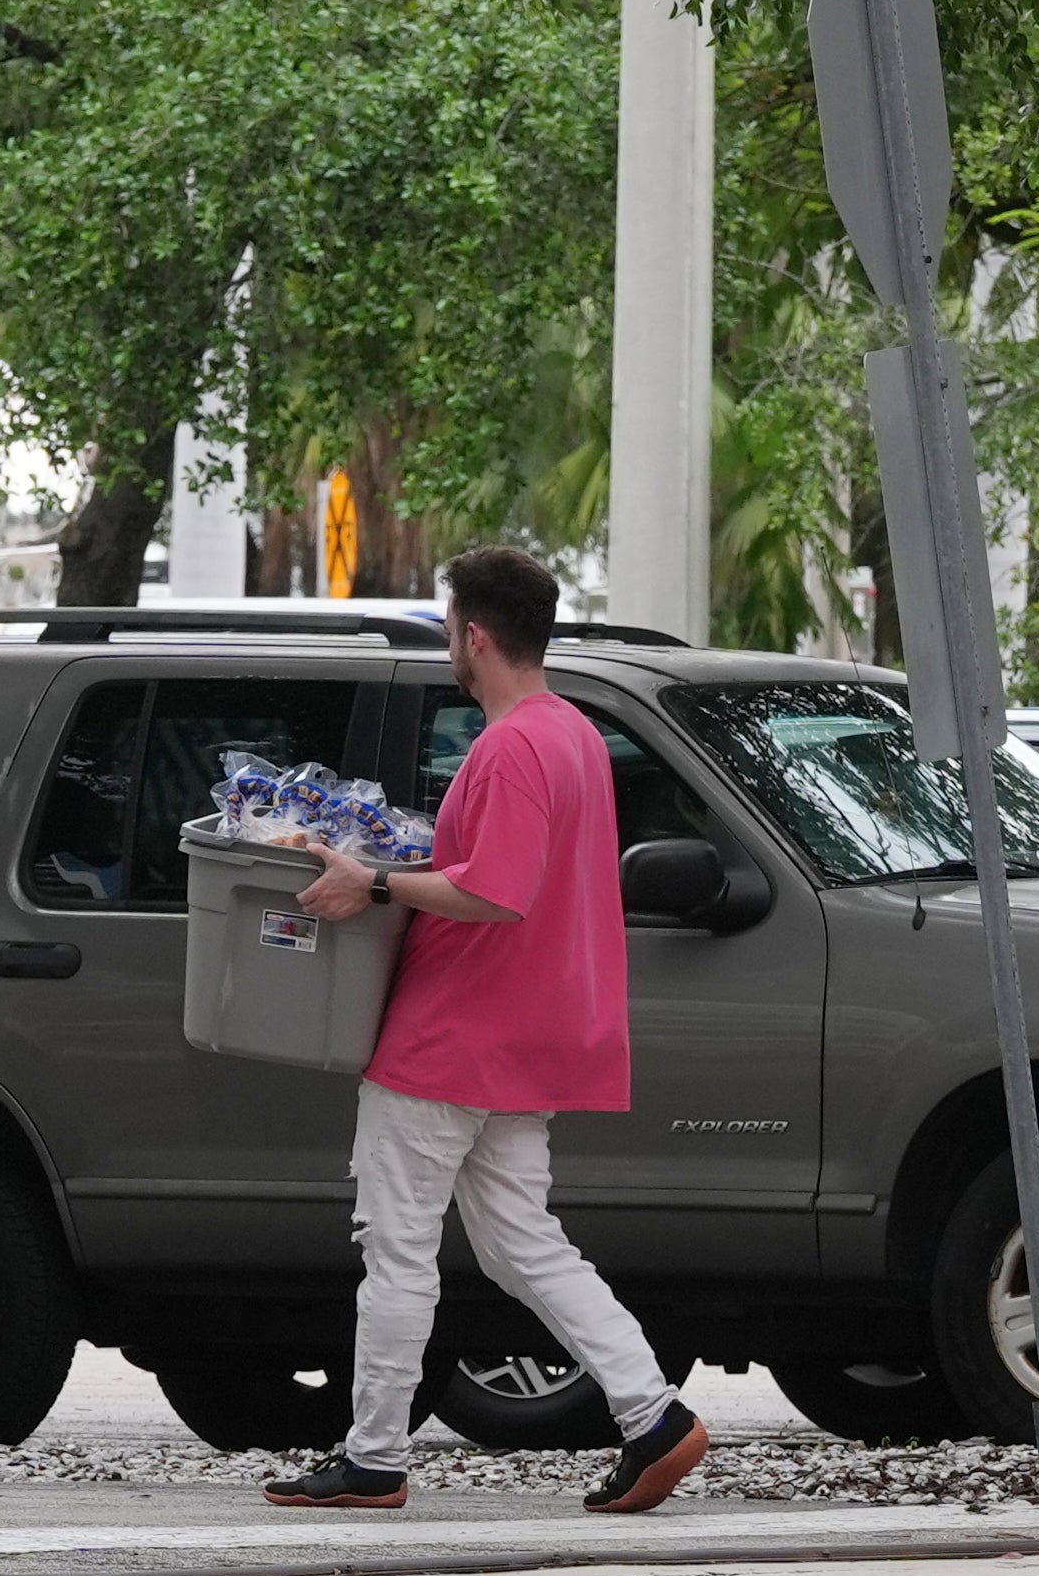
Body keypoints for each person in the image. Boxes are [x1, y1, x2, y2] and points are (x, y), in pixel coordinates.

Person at [260, 546, 710, 1515]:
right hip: (523, 1041)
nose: (449, 648)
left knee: (396, 1246)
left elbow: (491, 893)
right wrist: (392, 854)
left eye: (448, 628)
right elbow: (500, 870)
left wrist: (368, 881)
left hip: (447, 1037)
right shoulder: (575, 737)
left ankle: (374, 1455)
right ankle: (653, 1415)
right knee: (519, 1245)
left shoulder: (508, 745)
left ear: (473, 634)